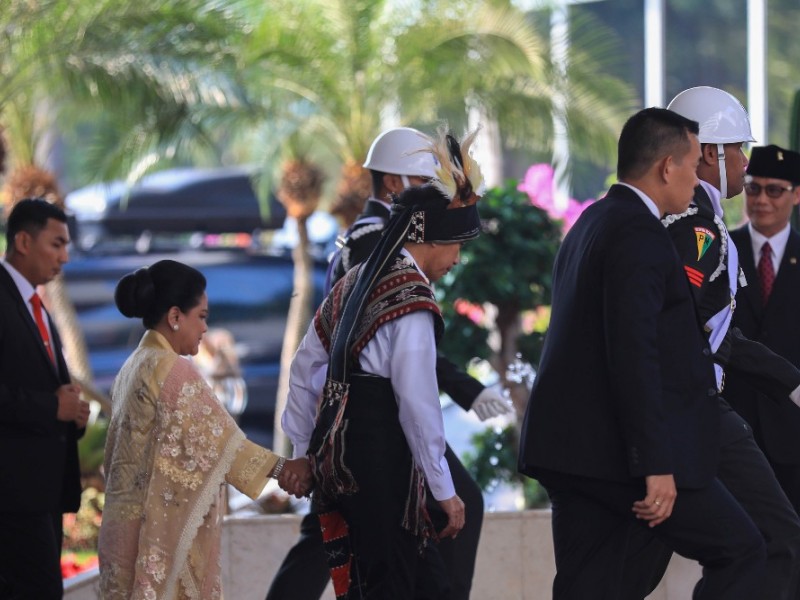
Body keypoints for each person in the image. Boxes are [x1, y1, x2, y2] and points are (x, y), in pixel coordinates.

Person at [518, 107, 767, 600]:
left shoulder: (593, 220)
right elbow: (634, 353)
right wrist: (655, 463)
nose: (698, 180)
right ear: (666, 167)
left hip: (573, 452)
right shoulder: (639, 234)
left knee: (594, 587)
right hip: (623, 458)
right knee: (741, 551)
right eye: (695, 165)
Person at [268, 126, 509, 600]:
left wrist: (302, 447)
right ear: (432, 236)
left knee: (384, 581)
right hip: (385, 464)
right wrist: (443, 490)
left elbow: (305, 365)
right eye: (456, 245)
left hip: (343, 455)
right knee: (392, 581)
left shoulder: (360, 276)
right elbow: (417, 405)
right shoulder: (411, 298)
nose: (458, 260)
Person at [655, 88, 800, 599]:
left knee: (747, 544)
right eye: (739, 149)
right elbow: (698, 330)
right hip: (694, 407)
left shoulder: (694, 217)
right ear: (710, 154)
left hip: (700, 410)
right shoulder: (695, 223)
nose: (745, 164)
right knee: (770, 537)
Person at [97, 259, 312, 599]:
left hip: (120, 531)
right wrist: (288, 468)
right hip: (152, 537)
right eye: (202, 317)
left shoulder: (132, 366)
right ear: (175, 317)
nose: (205, 329)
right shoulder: (172, 369)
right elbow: (225, 444)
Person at [0, 198, 90, 599]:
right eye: (56, 244)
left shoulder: (36, 304)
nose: (64, 257)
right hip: (11, 496)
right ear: (23, 240)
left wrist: (73, 412)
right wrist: (52, 407)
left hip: (41, 495)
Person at [727, 145, 800, 518]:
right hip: (735, 426)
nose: (762, 200)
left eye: (775, 190)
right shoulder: (722, 249)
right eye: (754, 188)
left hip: (793, 426)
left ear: (796, 194)